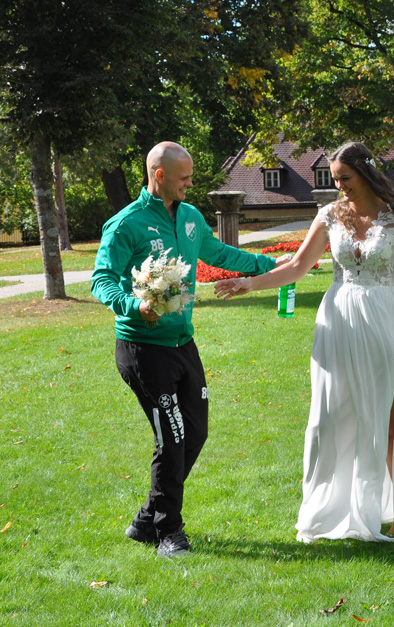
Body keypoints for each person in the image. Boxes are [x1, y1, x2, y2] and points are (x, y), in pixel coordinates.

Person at [214, 142, 394, 541]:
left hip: (384, 320)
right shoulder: (328, 216)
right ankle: (331, 511)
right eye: (334, 178)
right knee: (332, 419)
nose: (338, 185)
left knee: (391, 421)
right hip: (338, 323)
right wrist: (248, 283)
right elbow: (296, 266)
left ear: (366, 173)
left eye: (345, 177)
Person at [92, 141, 280, 558]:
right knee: (172, 437)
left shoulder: (191, 217)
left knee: (195, 432)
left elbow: (219, 253)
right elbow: (102, 279)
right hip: (143, 347)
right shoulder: (126, 224)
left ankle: (146, 519)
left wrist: (275, 266)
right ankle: (168, 532)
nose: (190, 184)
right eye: (184, 178)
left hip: (183, 342)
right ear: (159, 176)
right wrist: (134, 305)